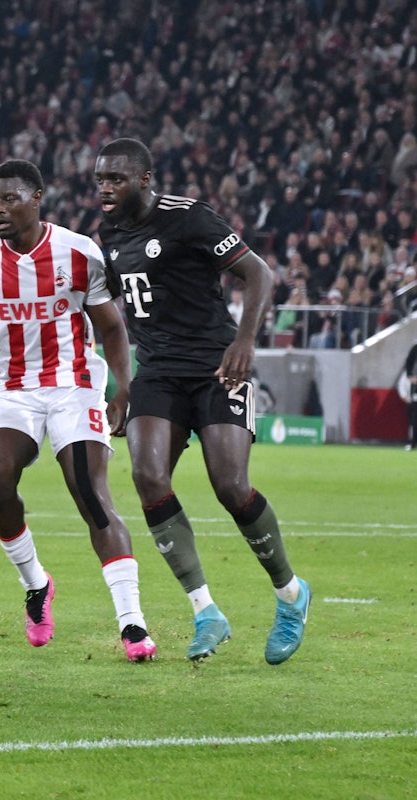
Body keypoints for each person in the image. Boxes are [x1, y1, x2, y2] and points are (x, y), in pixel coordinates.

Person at [93, 137, 311, 665]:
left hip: (218, 363)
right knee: (147, 475)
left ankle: (290, 593)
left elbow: (258, 272)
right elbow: (115, 319)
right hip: (159, 371)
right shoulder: (110, 233)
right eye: (100, 179)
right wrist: (123, 384)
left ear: (145, 180)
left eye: (116, 179)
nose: (105, 188)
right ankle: (205, 611)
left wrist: (245, 340)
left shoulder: (190, 218)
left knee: (230, 484)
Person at [0, 159, 156, 662]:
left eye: (10, 198)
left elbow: (111, 327)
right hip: (11, 387)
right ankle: (37, 584)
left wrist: (124, 388)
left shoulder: (78, 251)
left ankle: (132, 623)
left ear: (37, 196)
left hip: (74, 384)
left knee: (89, 491)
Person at [405, 339, 417, 451]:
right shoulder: (415, 347)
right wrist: (410, 375)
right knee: (414, 415)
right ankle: (413, 442)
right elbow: (409, 362)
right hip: (416, 385)